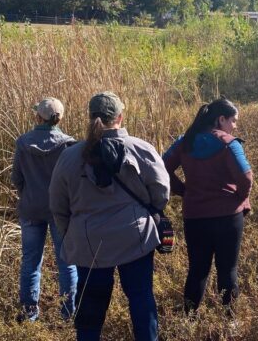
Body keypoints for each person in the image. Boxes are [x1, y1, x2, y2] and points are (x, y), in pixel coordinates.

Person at [49, 92, 170, 341]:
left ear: (90, 118)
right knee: (140, 297)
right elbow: (161, 193)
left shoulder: (70, 157)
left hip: (89, 241)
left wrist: (71, 232)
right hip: (135, 238)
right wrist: (146, 214)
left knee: (90, 306)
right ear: (120, 117)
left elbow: (57, 204)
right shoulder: (140, 149)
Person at [162, 98, 253, 316]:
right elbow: (246, 177)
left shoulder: (185, 142)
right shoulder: (229, 144)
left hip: (195, 217)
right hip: (228, 217)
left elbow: (162, 166)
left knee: (197, 270)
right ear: (221, 119)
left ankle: (188, 321)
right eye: (233, 121)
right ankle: (230, 322)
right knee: (228, 269)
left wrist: (183, 190)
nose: (235, 126)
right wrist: (240, 198)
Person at [11, 97, 77, 322]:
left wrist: (29, 195)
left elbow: (16, 179)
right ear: (60, 118)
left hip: (31, 209)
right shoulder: (69, 144)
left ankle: (30, 314)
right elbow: (74, 181)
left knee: (30, 262)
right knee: (67, 262)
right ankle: (68, 314)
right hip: (60, 211)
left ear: (38, 116)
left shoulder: (23, 142)